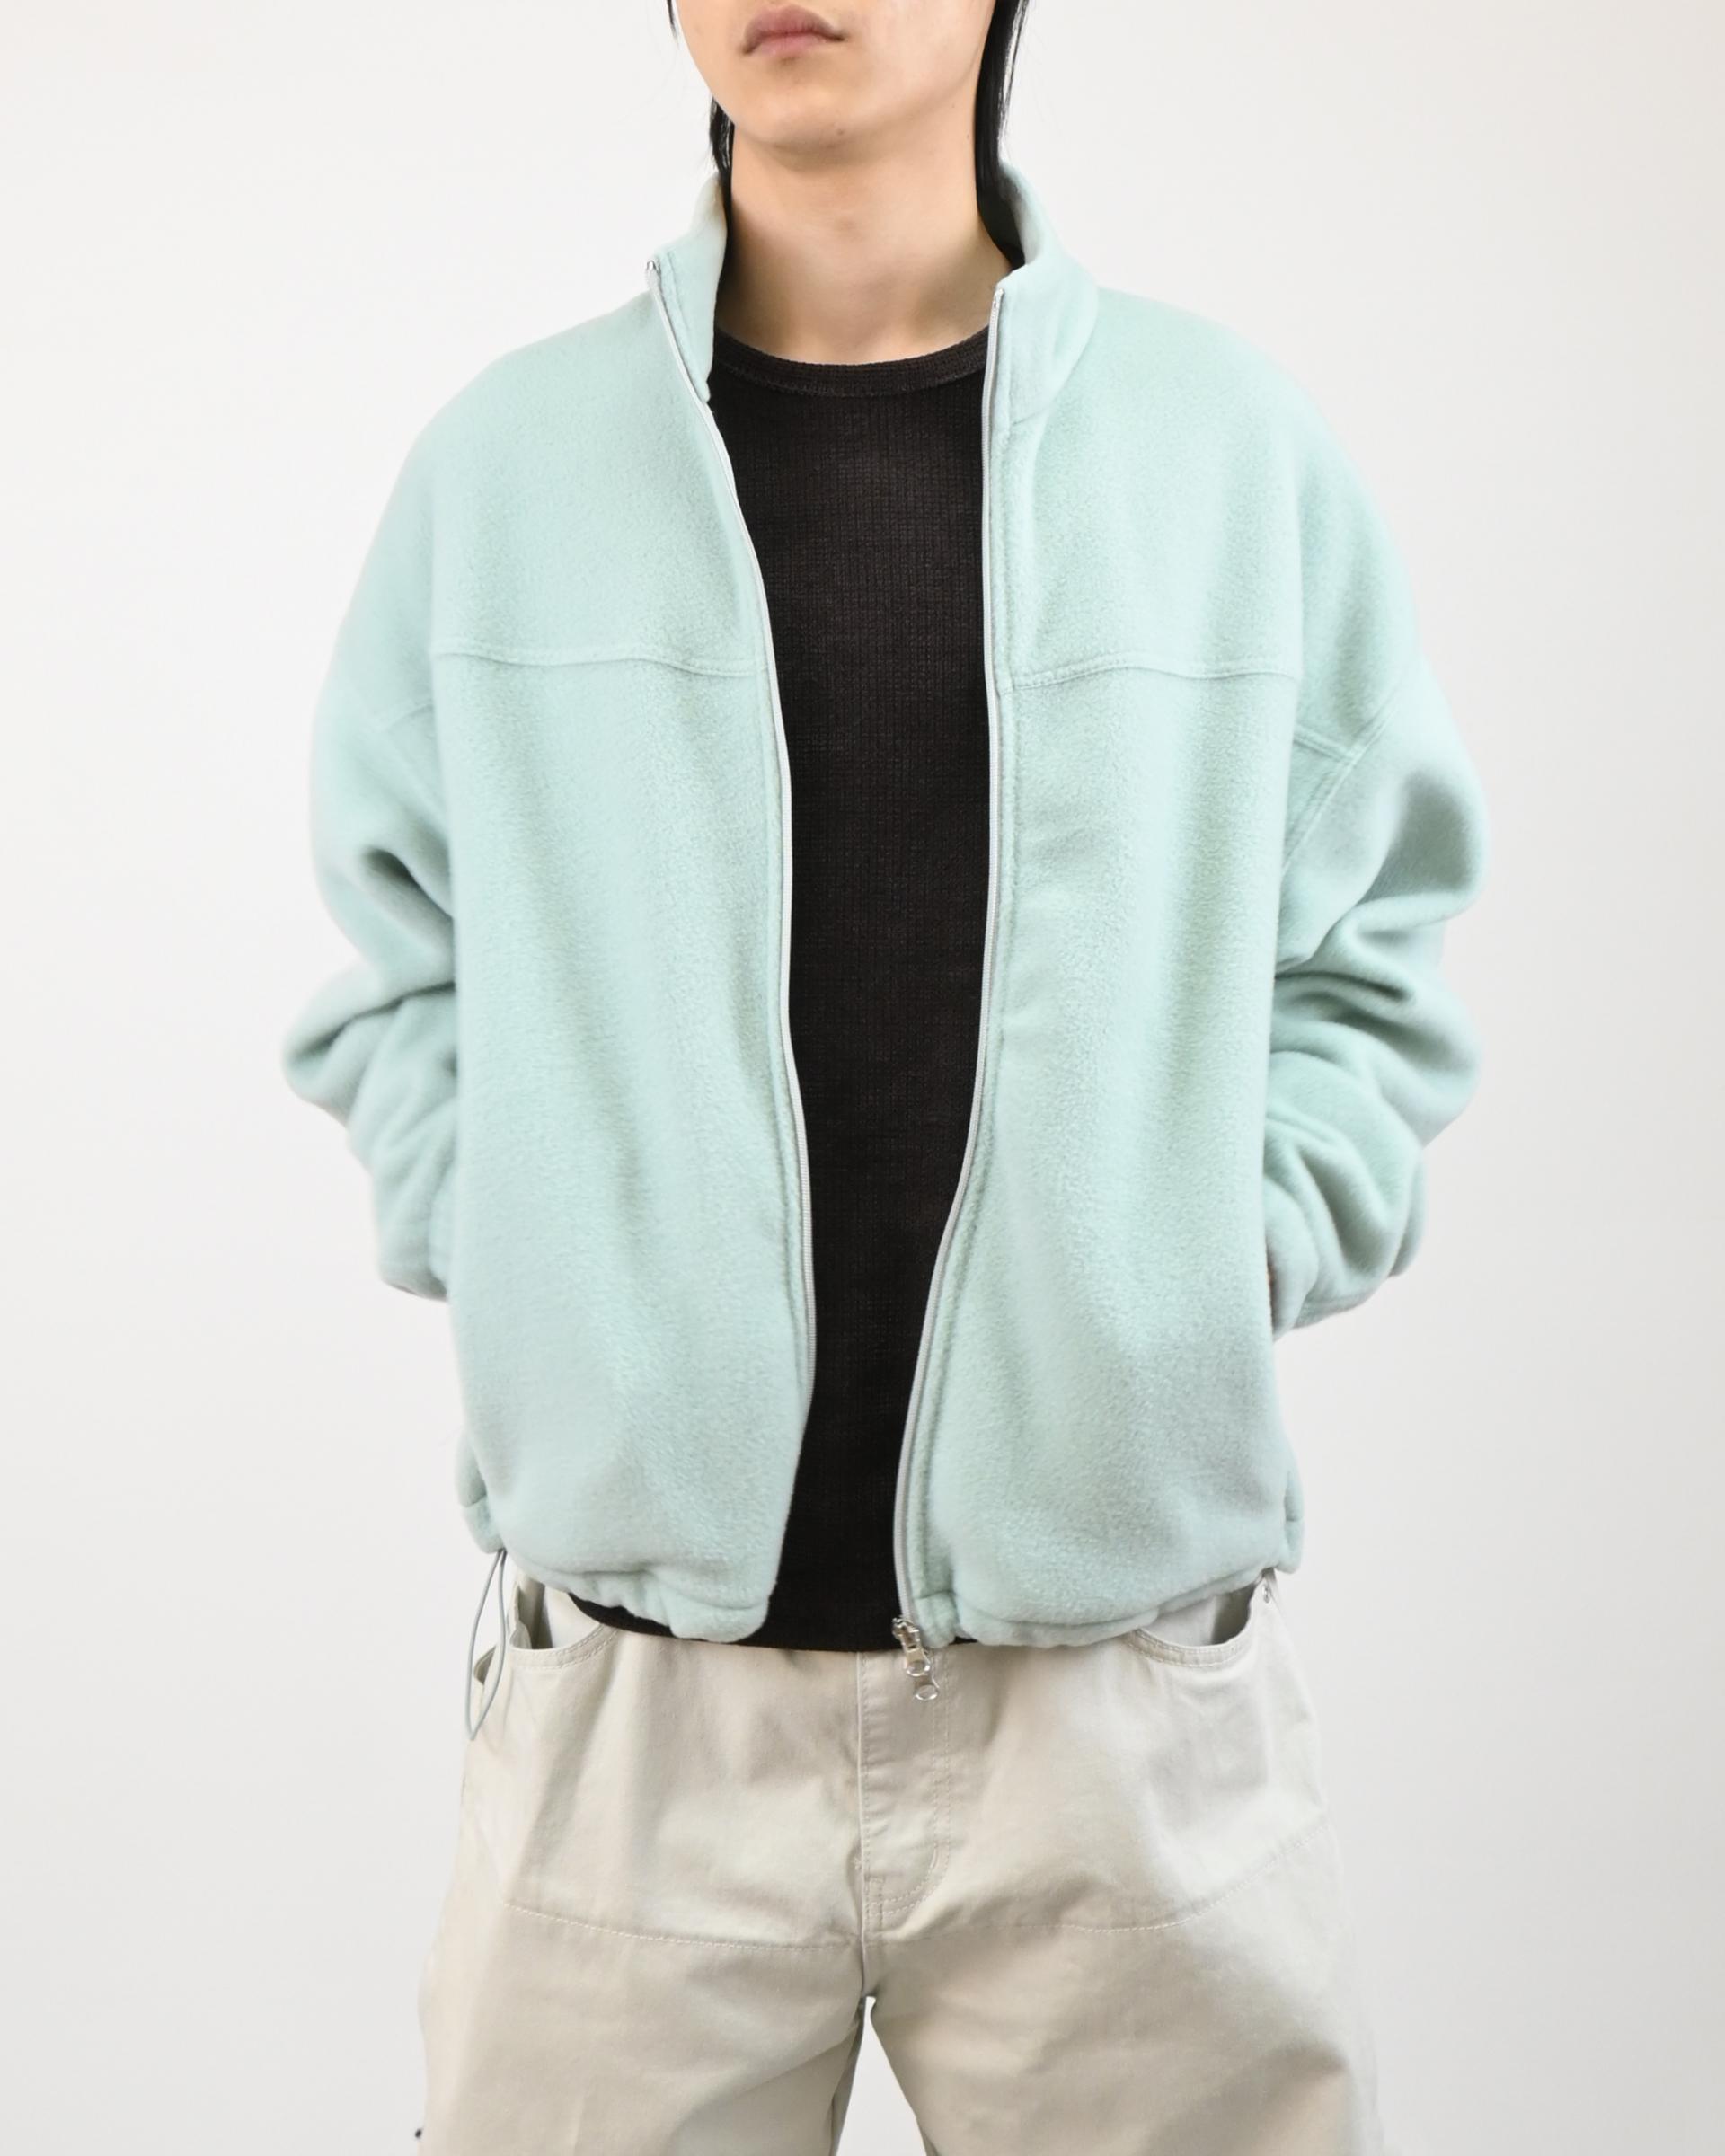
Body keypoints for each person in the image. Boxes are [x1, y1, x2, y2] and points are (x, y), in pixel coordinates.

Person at [279, 2, 1488, 2148]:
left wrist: (1198, 1274)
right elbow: (398, 974)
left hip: (1123, 1710)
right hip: (632, 1721)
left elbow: (1371, 959)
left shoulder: (1227, 454)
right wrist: (546, 1267)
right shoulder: (508, 471)